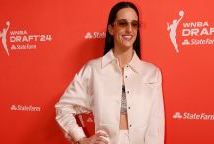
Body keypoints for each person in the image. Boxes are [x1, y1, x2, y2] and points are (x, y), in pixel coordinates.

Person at [55, 2, 165, 144]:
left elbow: (155, 127)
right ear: (111, 29)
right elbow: (63, 107)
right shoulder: (93, 69)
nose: (129, 30)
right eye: (123, 24)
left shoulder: (152, 73)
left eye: (134, 24)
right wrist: (81, 139)